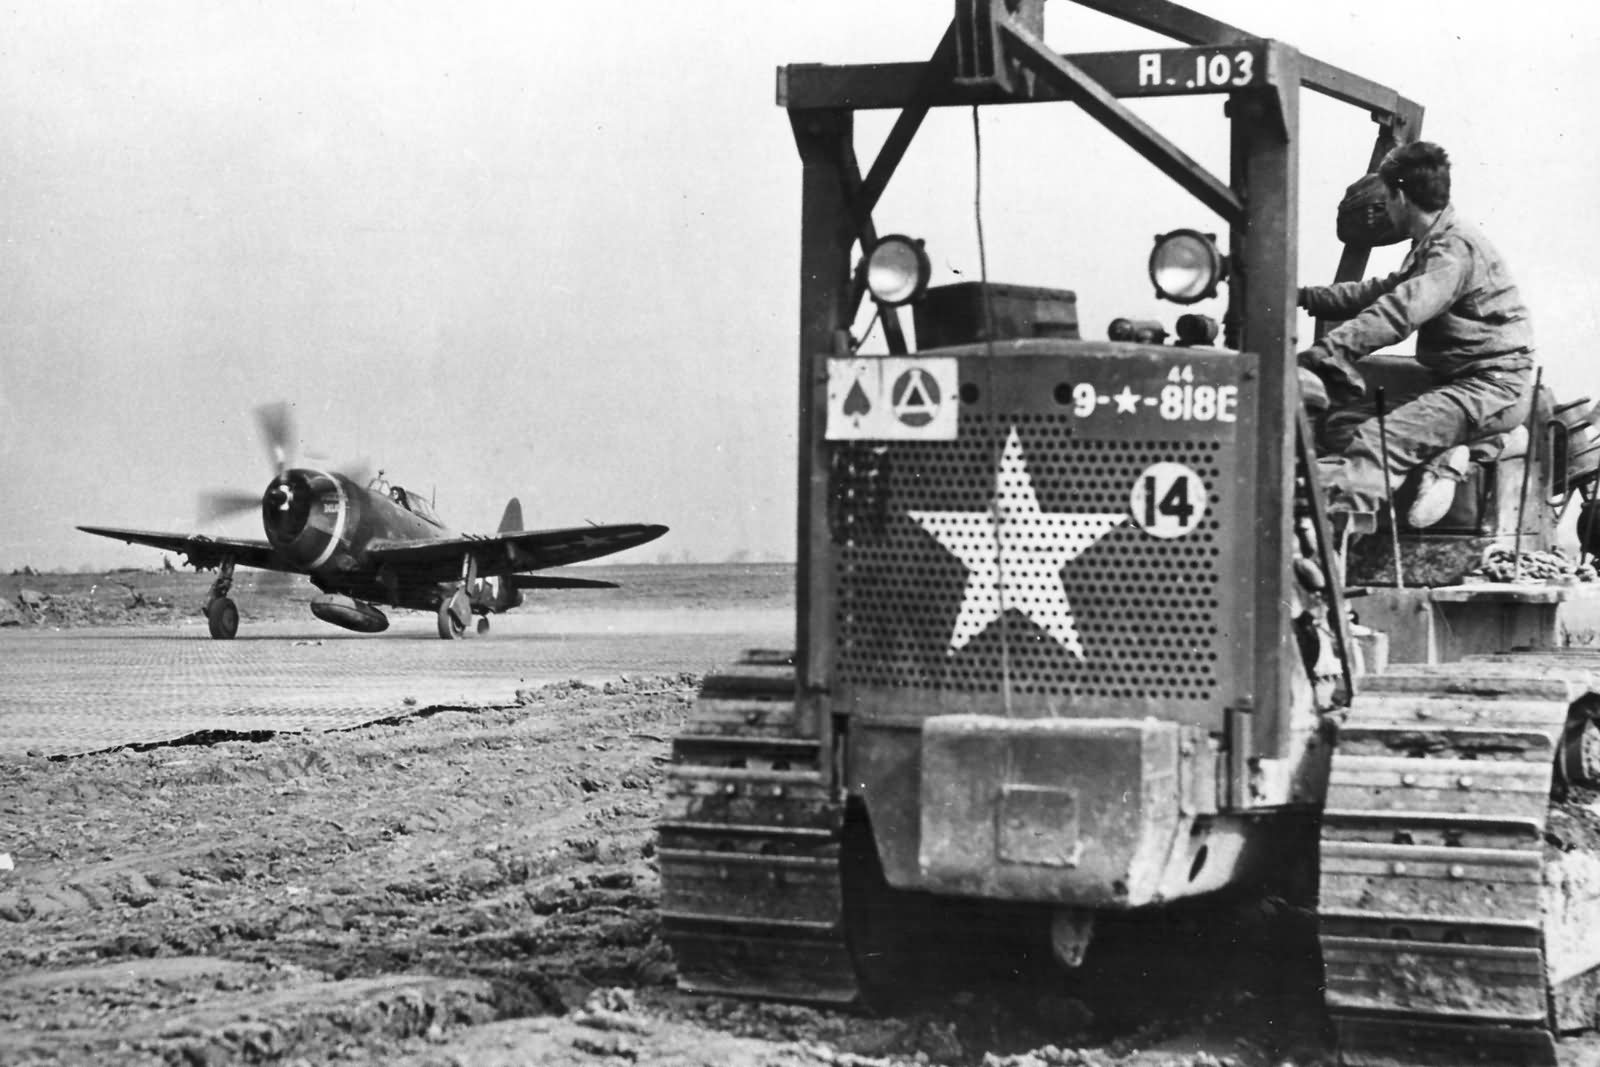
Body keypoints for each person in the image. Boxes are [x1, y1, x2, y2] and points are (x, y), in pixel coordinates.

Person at [1297, 141, 1535, 527]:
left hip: (1491, 390)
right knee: (1340, 425)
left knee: (1378, 441)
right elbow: (1381, 292)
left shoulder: (1452, 250)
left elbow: (1400, 310)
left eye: (1387, 197)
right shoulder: (1435, 243)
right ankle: (1471, 449)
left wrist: (1329, 351)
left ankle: (1332, 543)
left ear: (1400, 197)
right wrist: (1304, 296)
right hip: (1462, 383)